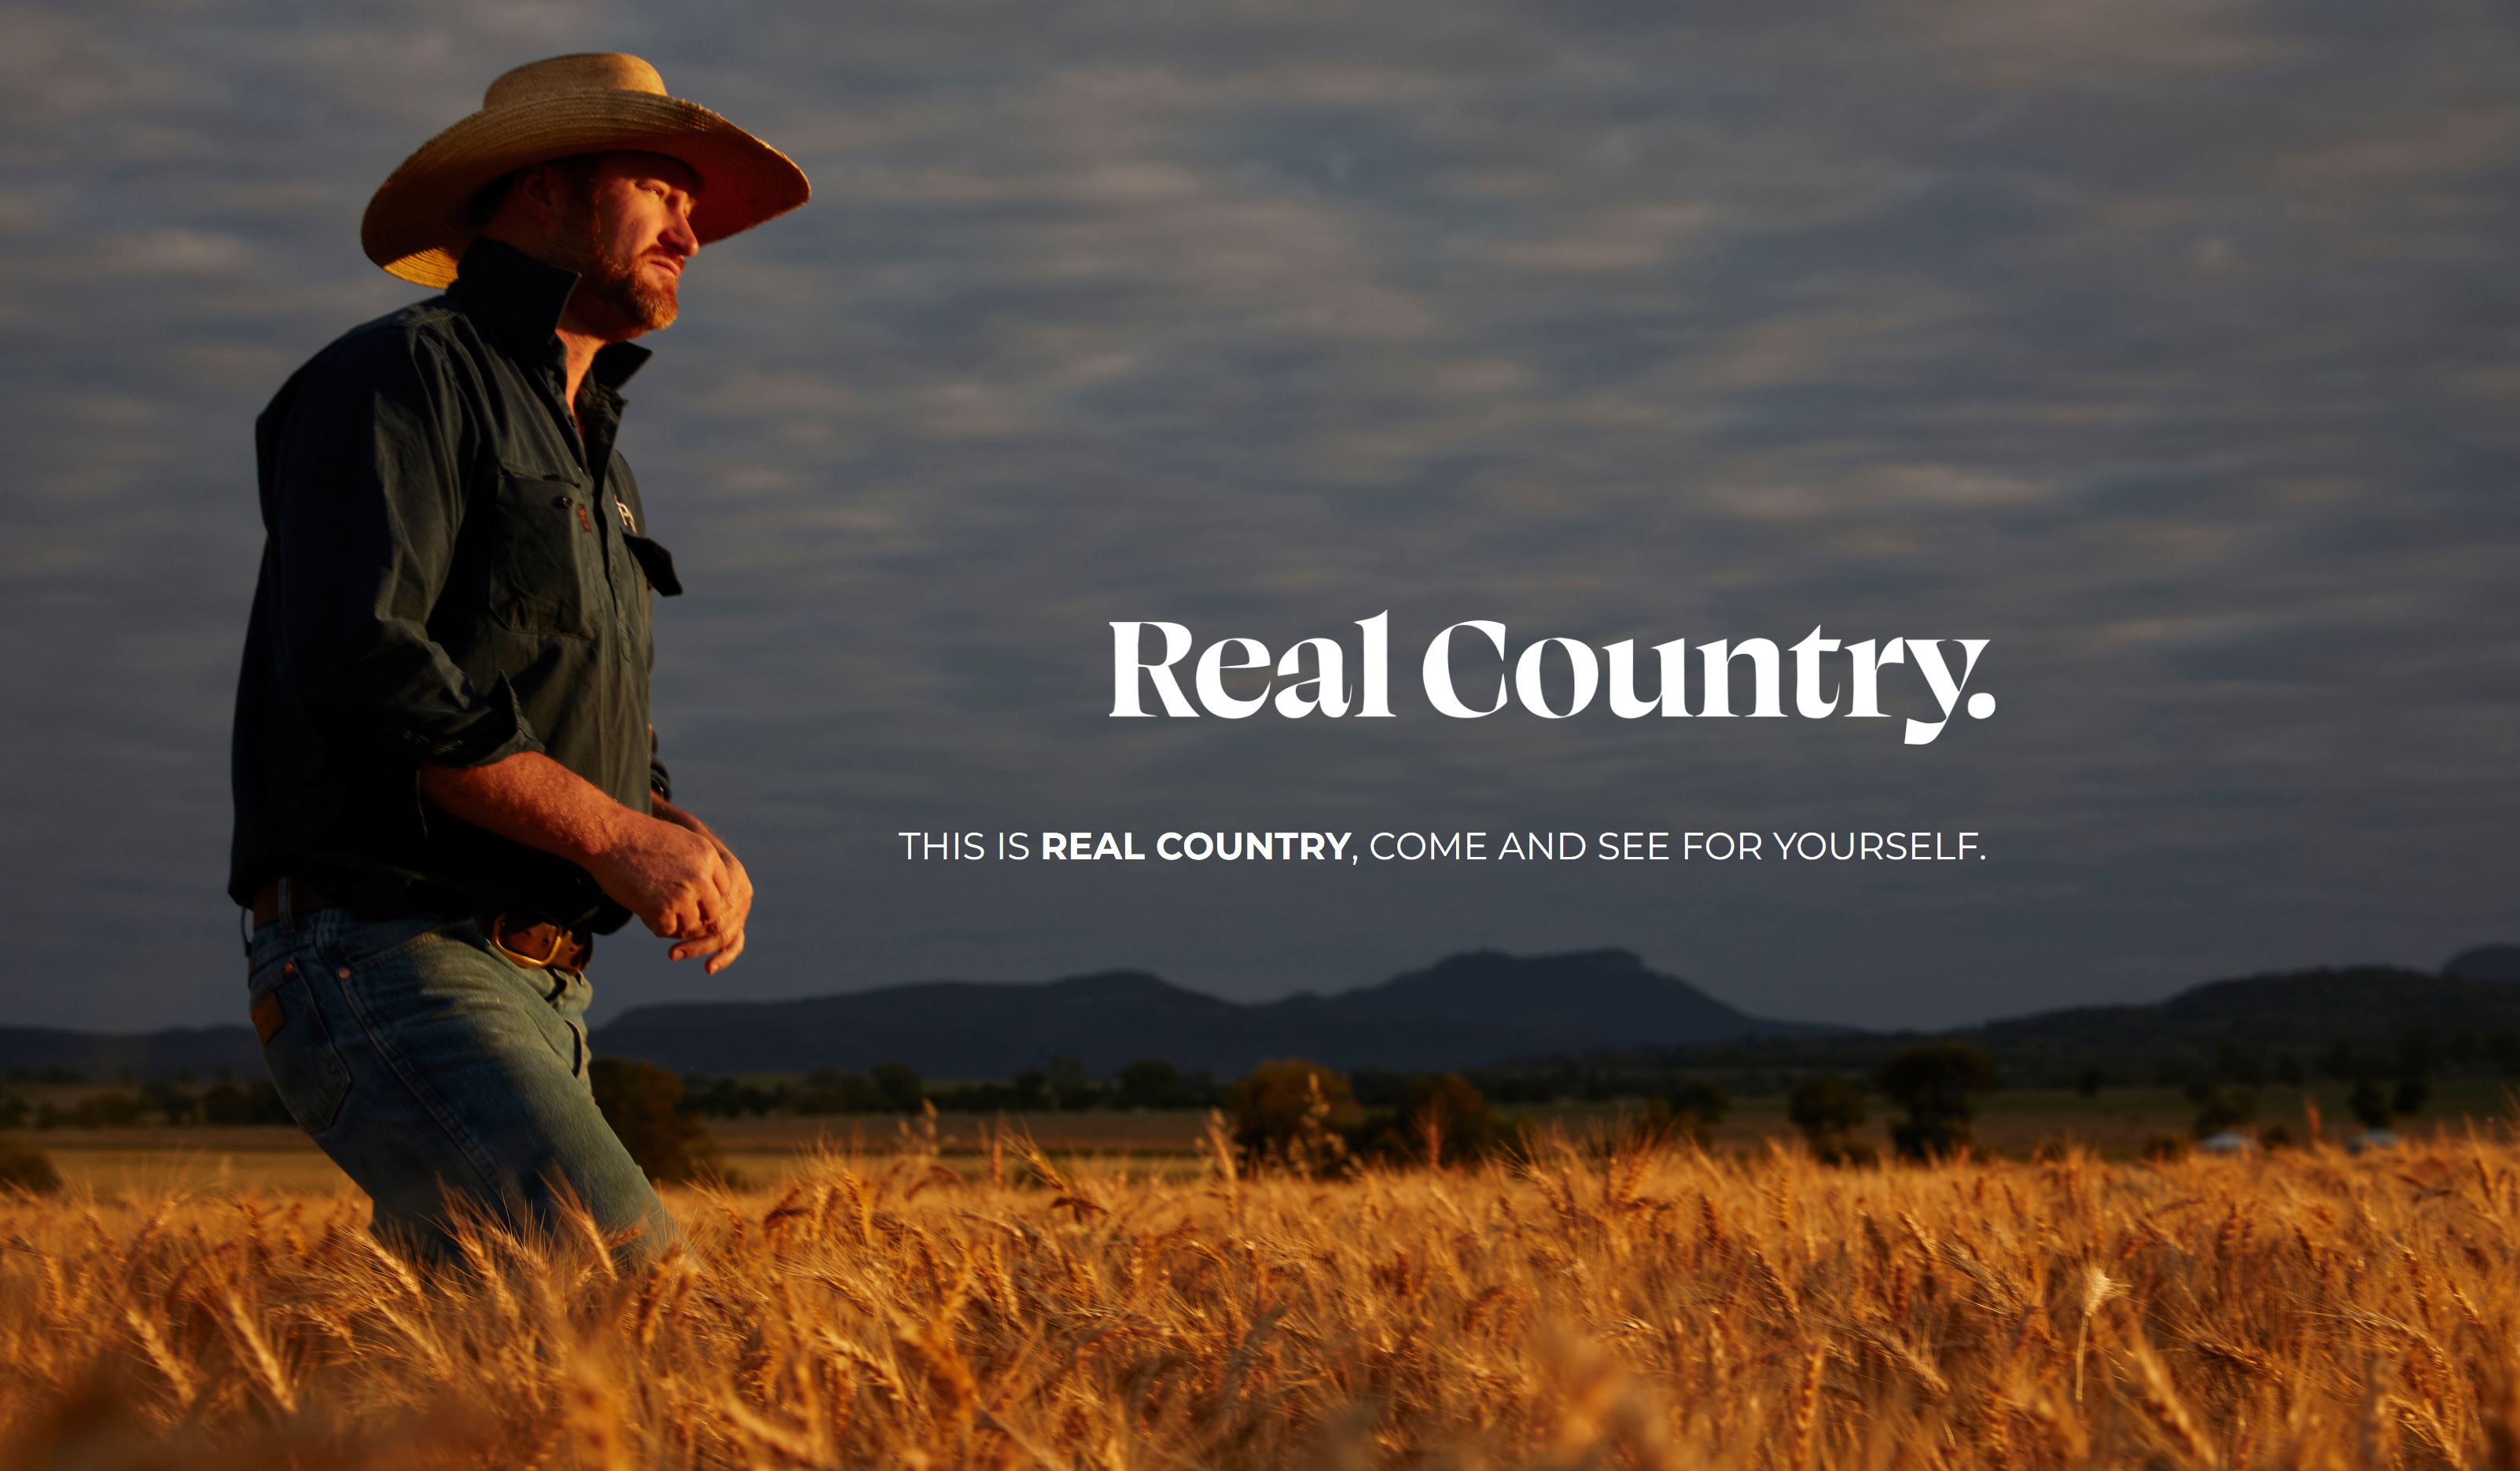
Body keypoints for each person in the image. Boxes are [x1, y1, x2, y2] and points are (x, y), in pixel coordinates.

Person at [227, 53, 810, 1267]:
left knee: (497, 1392)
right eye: (660, 188)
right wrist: (615, 840)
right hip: (389, 951)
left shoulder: (598, 455)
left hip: (541, 985)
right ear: (544, 190)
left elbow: (560, 698)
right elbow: (362, 664)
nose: (692, 234)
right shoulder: (399, 377)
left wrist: (673, 828)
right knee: (636, 1292)